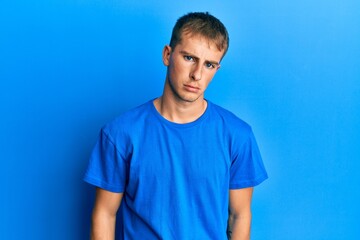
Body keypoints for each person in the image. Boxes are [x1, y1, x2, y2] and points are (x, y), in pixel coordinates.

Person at [84, 12, 268, 239]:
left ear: (217, 69)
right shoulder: (120, 133)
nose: (197, 74)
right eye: (189, 58)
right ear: (167, 55)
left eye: (209, 64)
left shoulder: (237, 135)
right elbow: (104, 214)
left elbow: (239, 215)